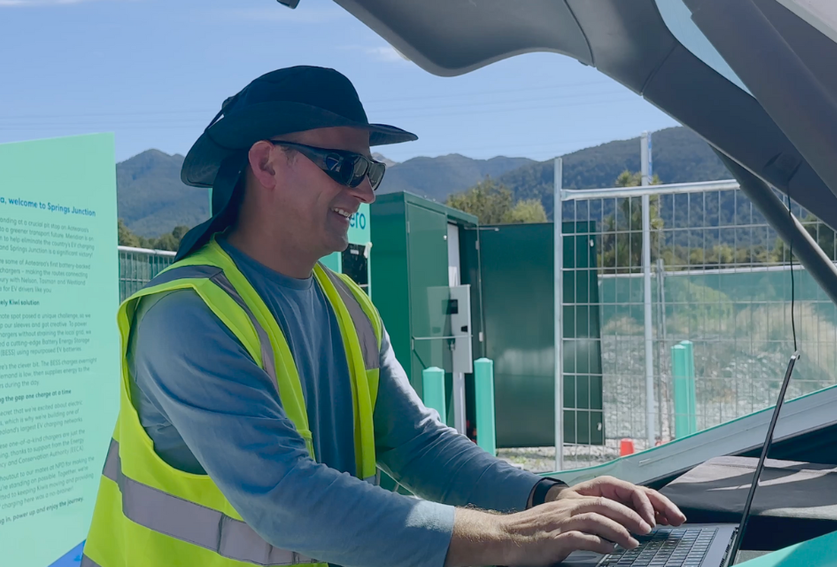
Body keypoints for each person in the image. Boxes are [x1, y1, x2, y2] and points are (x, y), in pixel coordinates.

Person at [82, 66, 685, 567]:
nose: (366, 192)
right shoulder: (186, 316)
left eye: (371, 171)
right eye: (345, 167)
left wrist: (550, 495)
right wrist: (510, 538)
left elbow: (418, 445)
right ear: (264, 164)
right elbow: (286, 497)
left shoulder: (346, 304)